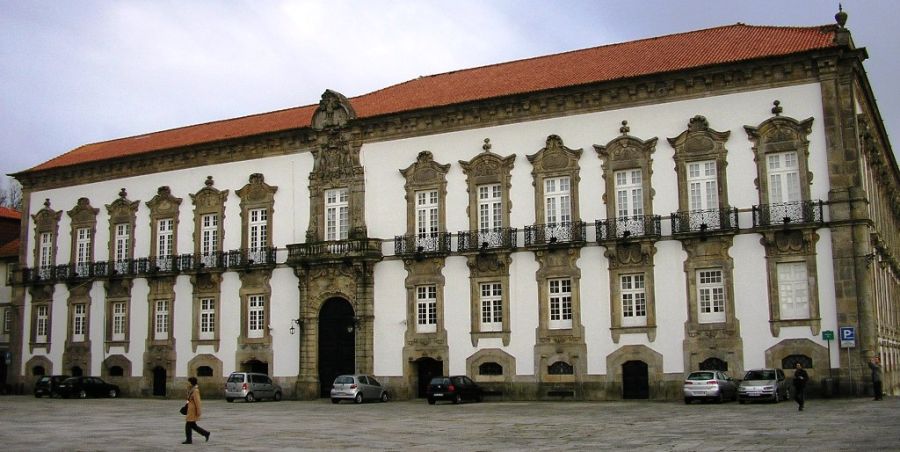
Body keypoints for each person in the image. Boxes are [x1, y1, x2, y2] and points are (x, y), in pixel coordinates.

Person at [183, 377, 211, 444]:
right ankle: (206, 433)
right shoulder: (191, 390)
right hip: (190, 409)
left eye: (188, 382)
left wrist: (198, 411)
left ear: (191, 382)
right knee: (192, 425)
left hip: (193, 410)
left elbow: (197, 402)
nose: (187, 383)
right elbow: (188, 399)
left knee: (188, 425)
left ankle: (189, 440)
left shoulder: (195, 391)